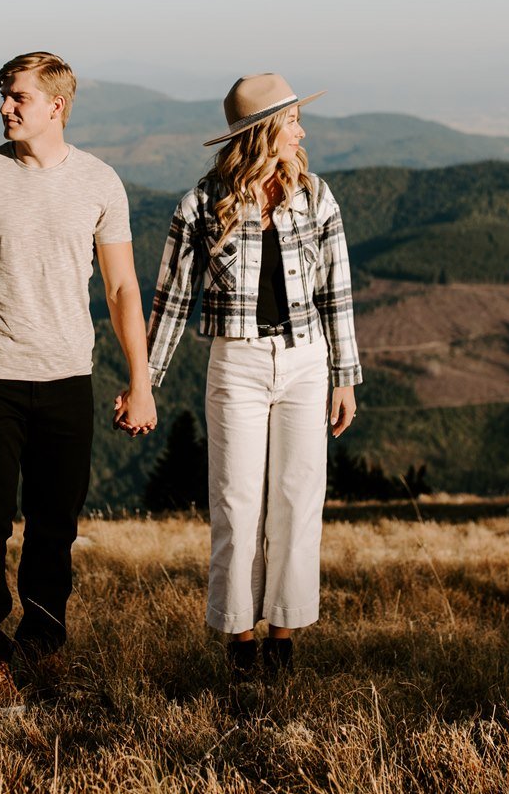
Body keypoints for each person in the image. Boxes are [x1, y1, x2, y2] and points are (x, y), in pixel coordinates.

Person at [0, 51, 157, 691]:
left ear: (55, 106)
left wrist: (141, 381)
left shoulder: (100, 183)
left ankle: (42, 643)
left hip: (66, 380)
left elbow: (121, 290)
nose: (5, 107)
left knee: (55, 526)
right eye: (3, 95)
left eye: (17, 97)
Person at [146, 72, 359, 681]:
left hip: (305, 362)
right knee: (236, 506)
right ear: (264, 131)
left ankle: (283, 642)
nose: (301, 130)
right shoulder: (201, 204)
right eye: (292, 121)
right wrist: (146, 381)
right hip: (235, 363)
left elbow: (335, 293)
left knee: (298, 500)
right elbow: (171, 298)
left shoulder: (316, 197)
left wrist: (344, 377)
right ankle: (240, 643)